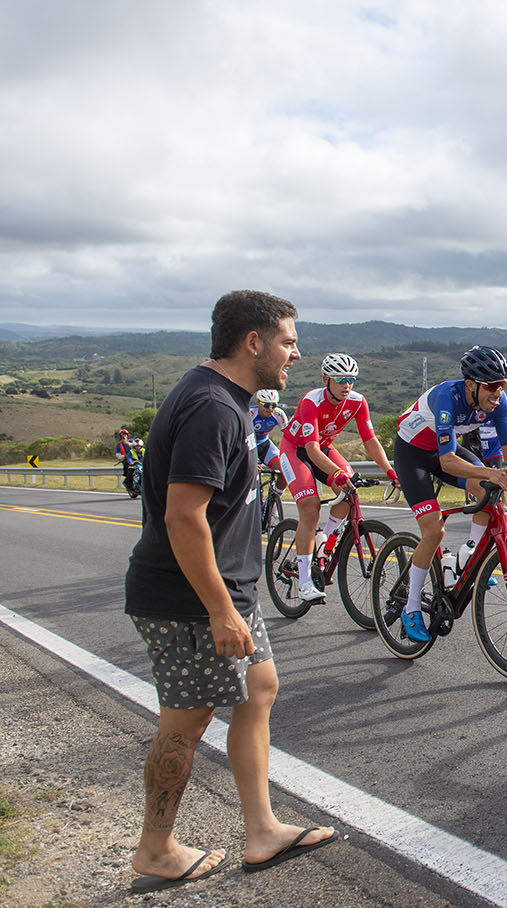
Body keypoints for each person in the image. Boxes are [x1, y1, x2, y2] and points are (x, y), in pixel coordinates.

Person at [124, 290, 337, 893]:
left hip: (228, 592)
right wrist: (219, 609)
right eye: (289, 342)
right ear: (254, 343)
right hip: (191, 598)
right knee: (185, 723)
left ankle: (262, 828)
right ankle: (156, 847)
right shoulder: (212, 407)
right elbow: (183, 517)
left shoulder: (227, 401)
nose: (296, 354)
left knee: (259, 689)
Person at [392, 346, 507, 641]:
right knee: (433, 531)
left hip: (443, 451)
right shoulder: (448, 397)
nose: (498, 393)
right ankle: (410, 609)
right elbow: (448, 462)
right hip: (413, 455)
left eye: (503, 385)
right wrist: (490, 472)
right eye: (492, 386)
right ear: (471, 384)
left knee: (490, 493)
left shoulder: (498, 402)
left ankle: (465, 556)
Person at [282, 354, 398, 604]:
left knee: (350, 492)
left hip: (323, 449)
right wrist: (336, 472)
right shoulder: (311, 402)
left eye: (351, 380)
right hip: (297, 451)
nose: (347, 385)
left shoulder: (357, 402)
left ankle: (325, 539)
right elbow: (311, 450)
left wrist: (390, 471)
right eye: (341, 379)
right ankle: (304, 582)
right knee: (310, 509)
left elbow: (370, 440)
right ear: (326, 379)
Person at [250, 389, 290, 490]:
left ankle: (275, 499)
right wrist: (251, 462)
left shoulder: (279, 415)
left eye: (274, 405)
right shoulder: (249, 414)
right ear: (258, 403)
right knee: (250, 472)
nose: (270, 409)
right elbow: (239, 439)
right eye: (267, 405)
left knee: (285, 471)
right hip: (247, 446)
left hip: (264, 444)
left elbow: (289, 437)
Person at [116, 428, 141, 494]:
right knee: (130, 472)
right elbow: (118, 455)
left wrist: (127, 443)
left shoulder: (132, 441)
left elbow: (135, 445)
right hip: (128, 461)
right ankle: (128, 484)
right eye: (122, 435)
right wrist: (123, 457)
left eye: (125, 435)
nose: (124, 436)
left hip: (137, 459)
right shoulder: (119, 445)